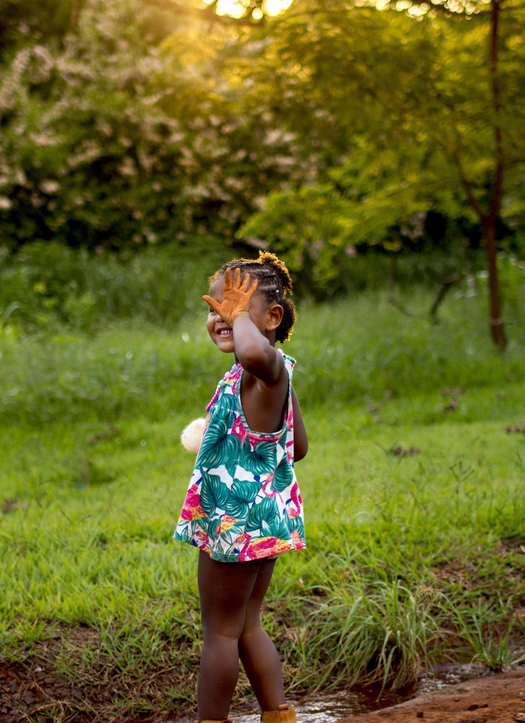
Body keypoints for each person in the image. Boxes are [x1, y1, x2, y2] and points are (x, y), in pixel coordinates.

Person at [174, 252, 308, 723]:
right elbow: (298, 446)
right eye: (216, 306)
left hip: (236, 522)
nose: (221, 314)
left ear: (271, 318)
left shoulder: (263, 366)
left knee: (221, 633)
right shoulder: (268, 376)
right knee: (247, 624)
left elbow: (253, 351)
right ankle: (278, 716)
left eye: (234, 305)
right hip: (263, 518)